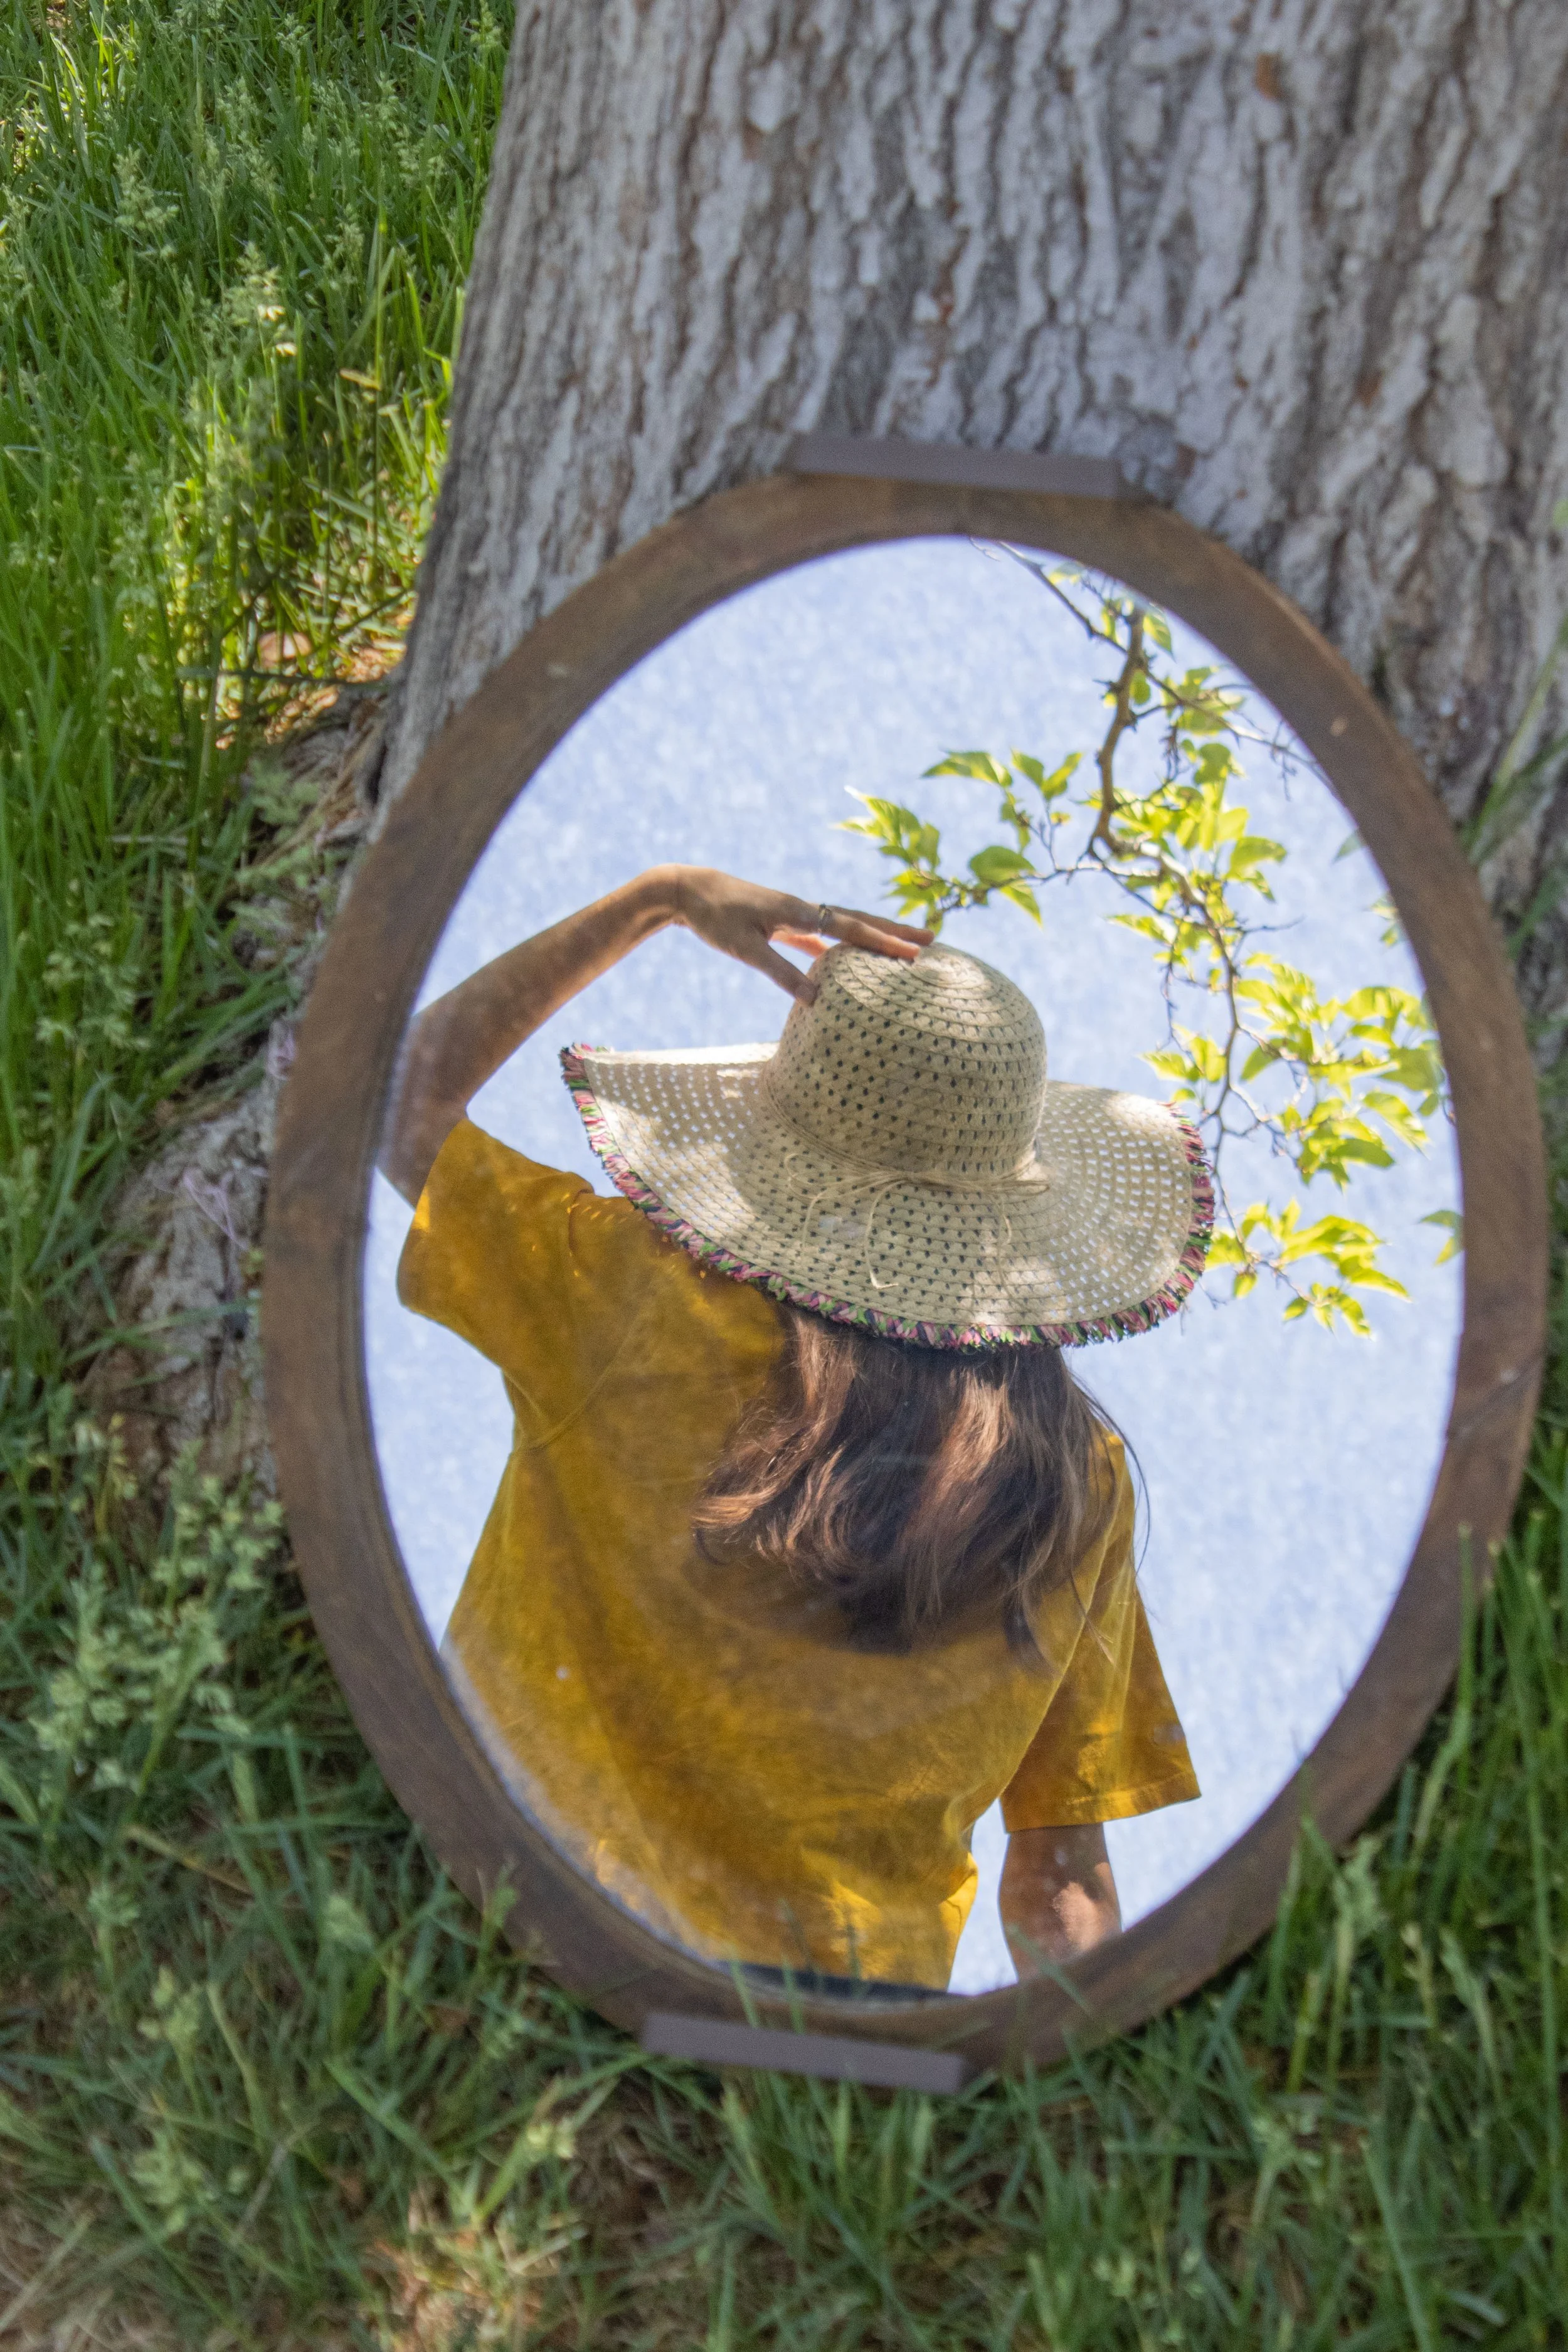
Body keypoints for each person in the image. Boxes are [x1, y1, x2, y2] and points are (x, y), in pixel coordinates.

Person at [381, 866, 1209, 1991]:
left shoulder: (629, 1291)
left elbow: (391, 1097)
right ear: (1009, 1190)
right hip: (843, 2048)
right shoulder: (1076, 1472)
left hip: (518, 1925)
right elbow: (1060, 1872)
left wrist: (658, 898)